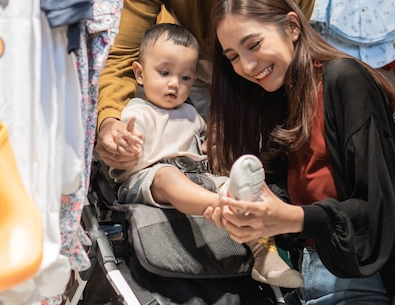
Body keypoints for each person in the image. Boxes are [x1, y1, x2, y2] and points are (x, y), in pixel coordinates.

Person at [203, 0, 395, 304]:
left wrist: (287, 217)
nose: (247, 65)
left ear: (292, 27)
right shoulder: (279, 97)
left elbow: (378, 211)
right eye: (233, 56)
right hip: (307, 277)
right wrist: (247, 209)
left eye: (254, 44)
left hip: (365, 279)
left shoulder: (344, 80)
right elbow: (289, 195)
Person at [96, 0, 317, 170]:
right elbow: (124, 54)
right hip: (183, 75)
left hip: (253, 86)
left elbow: (282, 70)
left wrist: (235, 121)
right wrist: (110, 120)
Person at [110, 22, 304, 289]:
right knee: (168, 176)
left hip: (197, 176)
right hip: (149, 178)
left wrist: (214, 147)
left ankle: (264, 256)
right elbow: (126, 152)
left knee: (229, 182)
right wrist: (125, 145)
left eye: (186, 78)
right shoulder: (136, 111)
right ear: (139, 74)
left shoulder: (191, 114)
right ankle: (224, 205)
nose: (174, 84)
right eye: (164, 72)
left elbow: (204, 146)